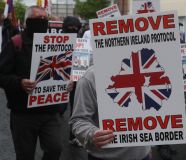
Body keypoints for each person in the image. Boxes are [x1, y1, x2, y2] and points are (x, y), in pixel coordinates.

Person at [0, 6, 63, 160]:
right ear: (28, 22)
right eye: (37, 19)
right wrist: (19, 82)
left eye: (45, 19)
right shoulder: (15, 43)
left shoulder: (56, 44)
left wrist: (68, 83)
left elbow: (64, 70)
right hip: (23, 113)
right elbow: (1, 75)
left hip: (50, 111)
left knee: (55, 148)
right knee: (25, 155)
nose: (42, 22)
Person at [69, 66, 151, 160]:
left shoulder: (146, 69)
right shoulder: (91, 76)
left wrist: (149, 148)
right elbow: (78, 120)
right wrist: (91, 134)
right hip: (104, 157)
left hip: (142, 155)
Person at [62, 16, 83, 146]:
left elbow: (81, 65)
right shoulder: (55, 41)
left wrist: (76, 80)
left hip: (75, 80)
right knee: (58, 110)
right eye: (70, 28)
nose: (73, 30)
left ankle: (73, 135)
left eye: (75, 28)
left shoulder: (81, 43)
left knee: (76, 109)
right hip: (58, 80)